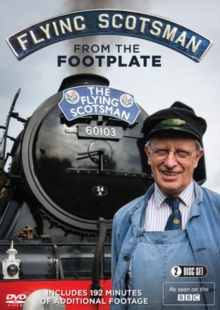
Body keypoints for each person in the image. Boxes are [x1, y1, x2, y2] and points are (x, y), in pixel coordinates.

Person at [111, 102, 220, 310]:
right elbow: (119, 297)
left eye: (182, 153)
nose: (170, 162)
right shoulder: (124, 218)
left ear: (197, 158)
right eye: (161, 151)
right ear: (148, 154)